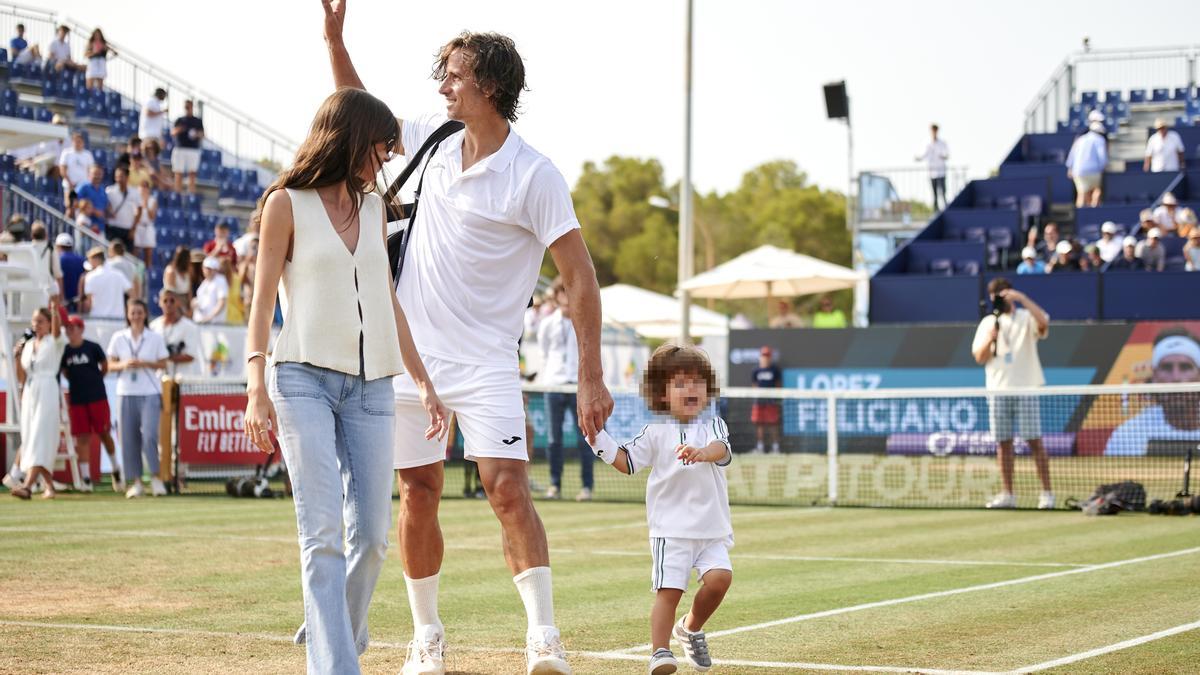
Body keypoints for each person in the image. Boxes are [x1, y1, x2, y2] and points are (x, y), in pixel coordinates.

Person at [323, 5, 613, 673]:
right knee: (416, 492)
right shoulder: (429, 138)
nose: (443, 87)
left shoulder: (535, 174)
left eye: (454, 76)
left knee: (507, 487)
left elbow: (581, 276)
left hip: (486, 364)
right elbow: (359, 114)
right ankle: (426, 638)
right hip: (411, 360)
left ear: (489, 85)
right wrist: (335, 40)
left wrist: (591, 374)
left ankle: (544, 638)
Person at [241, 86, 448, 674]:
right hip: (301, 378)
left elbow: (388, 301)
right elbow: (260, 307)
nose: (386, 157)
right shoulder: (286, 203)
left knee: (376, 537)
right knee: (323, 533)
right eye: (381, 145)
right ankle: (335, 664)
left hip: (372, 387)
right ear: (352, 137)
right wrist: (256, 385)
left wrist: (424, 381)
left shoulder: (376, 209)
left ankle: (330, 623)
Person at [586, 344, 733, 674]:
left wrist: (702, 452)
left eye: (697, 382)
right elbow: (626, 462)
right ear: (662, 394)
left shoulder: (715, 425)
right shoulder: (653, 433)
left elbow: (721, 449)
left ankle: (690, 628)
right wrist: (597, 439)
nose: (690, 389)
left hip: (713, 531)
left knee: (721, 579)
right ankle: (660, 651)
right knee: (670, 591)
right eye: (680, 384)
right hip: (671, 531)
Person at [971, 278, 1054, 510]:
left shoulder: (1025, 317)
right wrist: (991, 338)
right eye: (996, 296)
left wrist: (1022, 298)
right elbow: (979, 357)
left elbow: (1044, 323)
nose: (1000, 299)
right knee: (1003, 443)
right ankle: (1008, 494)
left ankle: (1047, 493)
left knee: (1034, 441)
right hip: (998, 389)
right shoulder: (988, 322)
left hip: (1025, 387)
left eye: (1003, 294)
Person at [107, 299, 168, 498]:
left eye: (139, 312)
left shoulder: (154, 337)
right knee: (128, 438)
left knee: (150, 436)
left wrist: (144, 363)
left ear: (145, 314)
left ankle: (157, 479)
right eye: (133, 312)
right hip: (125, 392)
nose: (136, 316)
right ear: (127, 314)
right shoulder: (119, 337)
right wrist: (124, 364)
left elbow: (162, 363)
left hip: (150, 391)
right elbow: (109, 364)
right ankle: (137, 482)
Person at [536, 281, 592, 501]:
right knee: (554, 439)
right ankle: (554, 485)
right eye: (563, 293)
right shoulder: (548, 323)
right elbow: (544, 352)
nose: (567, 297)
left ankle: (587, 487)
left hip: (576, 386)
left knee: (585, 438)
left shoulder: (584, 320)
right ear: (557, 296)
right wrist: (548, 377)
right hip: (553, 384)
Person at [1105, 328, 1200, 456]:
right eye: (1166, 367)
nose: (1176, 378)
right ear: (1154, 376)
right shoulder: (1127, 435)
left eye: (1185, 367)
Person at [8, 302, 66, 499]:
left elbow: (58, 333)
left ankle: (27, 486)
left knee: (40, 436)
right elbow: (22, 376)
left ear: (49, 323)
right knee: (31, 437)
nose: (36, 325)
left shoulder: (54, 342)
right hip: (30, 392)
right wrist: (16, 357)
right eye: (34, 321)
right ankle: (49, 486)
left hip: (47, 390)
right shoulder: (29, 345)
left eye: (40, 321)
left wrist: (55, 311)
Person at [60, 315, 123, 493]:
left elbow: (104, 366)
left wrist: (94, 381)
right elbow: (65, 372)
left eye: (73, 328)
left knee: (104, 432)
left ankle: (116, 469)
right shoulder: (65, 351)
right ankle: (86, 479)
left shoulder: (92, 347)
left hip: (97, 397)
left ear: (81, 329)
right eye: (67, 329)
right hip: (78, 399)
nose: (69, 331)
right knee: (82, 438)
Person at [150, 288, 203, 378]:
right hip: (160, 378)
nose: (168, 304)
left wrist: (166, 356)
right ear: (160, 303)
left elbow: (190, 355)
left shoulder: (190, 327)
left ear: (178, 302)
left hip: (182, 378)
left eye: (172, 301)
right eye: (165, 301)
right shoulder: (153, 326)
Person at [1066, 114, 1107, 208]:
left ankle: (1080, 217)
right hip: (1094, 171)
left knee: (1081, 194)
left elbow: (1072, 155)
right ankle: (1094, 211)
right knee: (1097, 190)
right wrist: (1102, 169)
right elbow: (1103, 158)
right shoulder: (1100, 140)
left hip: (1078, 171)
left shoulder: (1080, 139)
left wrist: (1070, 168)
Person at [81, 246, 132, 318]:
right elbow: (131, 293)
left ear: (95, 260)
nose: (90, 265)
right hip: (118, 318)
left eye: (90, 261)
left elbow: (89, 303)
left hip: (97, 319)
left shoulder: (90, 276)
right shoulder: (119, 274)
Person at [750, 345, 781, 454]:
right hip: (759, 401)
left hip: (771, 402)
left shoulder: (774, 370)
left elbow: (778, 385)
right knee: (759, 424)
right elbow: (754, 385)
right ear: (760, 357)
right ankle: (760, 447)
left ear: (770, 357)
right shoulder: (756, 370)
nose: (765, 358)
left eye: (767, 356)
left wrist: (775, 397)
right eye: (764, 355)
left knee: (773, 424)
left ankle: (776, 448)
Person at [105, 165, 143, 250]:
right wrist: (109, 213)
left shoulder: (134, 192)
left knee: (128, 255)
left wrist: (133, 229)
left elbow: (139, 210)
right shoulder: (109, 191)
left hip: (127, 229)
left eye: (121, 176)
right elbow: (105, 207)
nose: (118, 179)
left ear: (127, 177)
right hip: (112, 228)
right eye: (116, 176)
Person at [171, 100, 204, 194]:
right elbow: (173, 132)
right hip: (180, 148)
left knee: (192, 173)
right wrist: (180, 129)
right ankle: (177, 194)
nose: (187, 109)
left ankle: (191, 194)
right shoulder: (179, 120)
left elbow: (203, 134)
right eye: (186, 107)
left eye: (189, 107)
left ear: (192, 107)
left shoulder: (197, 121)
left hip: (193, 150)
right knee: (178, 173)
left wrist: (197, 134)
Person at [916, 123, 950, 211]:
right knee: (934, 194)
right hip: (932, 172)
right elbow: (924, 155)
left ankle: (945, 209)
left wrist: (942, 156)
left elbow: (946, 155)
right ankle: (936, 210)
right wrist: (918, 158)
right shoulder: (928, 144)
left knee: (943, 192)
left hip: (941, 171)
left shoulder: (942, 143)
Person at [58, 131, 94, 208]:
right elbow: (62, 169)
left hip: (83, 187)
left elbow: (91, 171)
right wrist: (70, 183)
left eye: (79, 141)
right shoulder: (66, 153)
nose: (77, 143)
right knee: (70, 207)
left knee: (82, 208)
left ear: (83, 142)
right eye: (76, 141)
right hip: (70, 186)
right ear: (72, 142)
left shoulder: (87, 155)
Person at [192, 257, 228, 324]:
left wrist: (209, 317)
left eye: (210, 269)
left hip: (215, 324)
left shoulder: (220, 281)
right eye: (206, 268)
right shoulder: (204, 283)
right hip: (203, 323)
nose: (208, 271)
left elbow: (221, 303)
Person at [75, 165, 109, 235]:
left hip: (99, 228)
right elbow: (75, 202)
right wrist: (93, 211)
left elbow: (105, 207)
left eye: (99, 174)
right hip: (85, 226)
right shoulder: (83, 187)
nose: (97, 176)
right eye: (95, 174)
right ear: (89, 174)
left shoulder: (102, 190)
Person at [56, 233, 86, 312]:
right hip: (79, 304)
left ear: (58, 246)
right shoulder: (82, 260)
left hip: (63, 304)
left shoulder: (58, 260)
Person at [134, 179, 157, 270]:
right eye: (141, 187)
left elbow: (152, 217)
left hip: (148, 227)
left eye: (145, 187)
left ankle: (148, 274)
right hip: (138, 226)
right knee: (135, 251)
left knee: (148, 254)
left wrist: (146, 204)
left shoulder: (152, 200)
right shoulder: (135, 199)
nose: (143, 189)